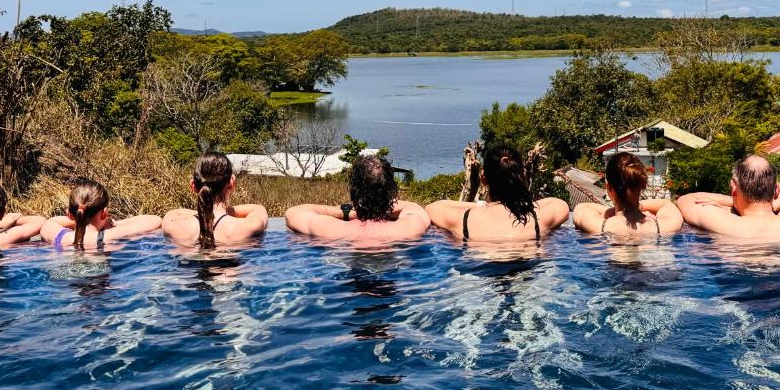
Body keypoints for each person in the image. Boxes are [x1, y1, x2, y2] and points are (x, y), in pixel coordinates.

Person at [425, 144, 569, 243]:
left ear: (483, 178)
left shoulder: (463, 220)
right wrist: (519, 202)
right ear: (521, 176)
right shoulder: (538, 217)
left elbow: (433, 207)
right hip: (531, 281)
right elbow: (560, 205)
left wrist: (481, 206)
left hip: (475, 281)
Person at [285, 154, 430, 242]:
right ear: (392, 192)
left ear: (353, 193)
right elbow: (414, 207)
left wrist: (346, 212)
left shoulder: (332, 229)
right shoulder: (409, 227)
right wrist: (385, 206)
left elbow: (293, 212)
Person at [676, 154, 780, 239]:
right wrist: (776, 202)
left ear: (734, 187)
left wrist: (733, 202)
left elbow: (686, 200)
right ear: (777, 190)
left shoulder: (725, 224)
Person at [162, 153, 268, 248]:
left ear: (193, 185)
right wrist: (225, 211)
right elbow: (258, 208)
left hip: (189, 268)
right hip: (229, 268)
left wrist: (204, 211)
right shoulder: (249, 226)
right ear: (231, 182)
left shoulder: (173, 227)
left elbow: (173, 213)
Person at [573, 152, 683, 237]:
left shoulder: (598, 226)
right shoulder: (664, 226)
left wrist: (613, 209)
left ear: (609, 188)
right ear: (641, 186)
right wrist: (638, 206)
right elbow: (666, 204)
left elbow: (581, 207)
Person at [40, 178, 161, 250]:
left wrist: (78, 220)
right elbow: (155, 221)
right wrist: (115, 223)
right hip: (97, 286)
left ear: (69, 214)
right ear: (104, 213)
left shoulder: (60, 236)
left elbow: (51, 221)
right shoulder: (106, 237)